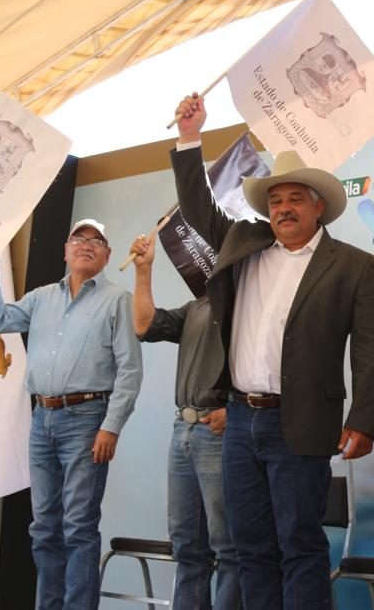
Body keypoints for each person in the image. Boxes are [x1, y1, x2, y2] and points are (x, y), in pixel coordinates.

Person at [170, 94, 374, 610]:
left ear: (318, 206)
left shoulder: (351, 265)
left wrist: (363, 419)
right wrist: (189, 138)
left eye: (294, 199)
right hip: (239, 422)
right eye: (275, 201)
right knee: (250, 549)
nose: (283, 208)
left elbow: (372, 347)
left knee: (300, 545)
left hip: (303, 422)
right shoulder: (243, 244)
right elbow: (197, 208)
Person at [0, 218, 142, 610]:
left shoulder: (117, 300)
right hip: (42, 419)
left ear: (106, 256)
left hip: (87, 420)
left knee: (78, 527)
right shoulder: (40, 298)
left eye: (96, 241)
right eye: (78, 239)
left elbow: (130, 370)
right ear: (65, 251)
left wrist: (111, 426)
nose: (86, 245)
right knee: (44, 528)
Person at [129, 233, 241, 609]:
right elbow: (144, 324)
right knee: (187, 546)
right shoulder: (197, 305)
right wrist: (144, 270)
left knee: (228, 546)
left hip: (219, 432)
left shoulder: (248, 305)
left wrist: (238, 410)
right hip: (184, 430)